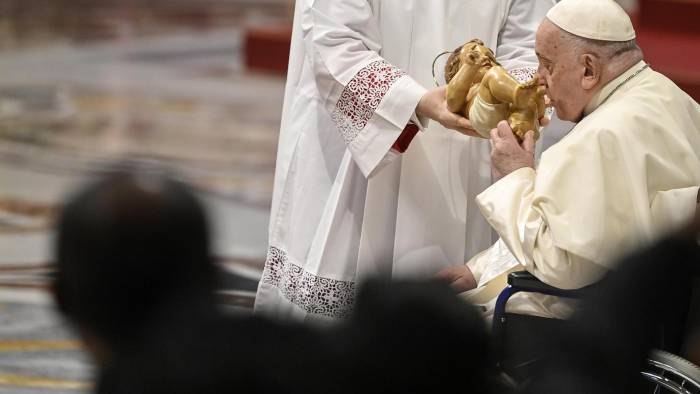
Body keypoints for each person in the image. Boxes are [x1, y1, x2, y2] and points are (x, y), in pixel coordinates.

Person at [255, 0, 559, 322]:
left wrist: (510, 95)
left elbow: (529, 39)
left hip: (475, 145)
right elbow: (334, 41)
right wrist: (416, 101)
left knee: (454, 321)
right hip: (363, 153)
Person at [438, 0, 700, 318]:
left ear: (589, 70)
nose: (538, 78)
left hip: (575, 327)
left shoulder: (602, 137)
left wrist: (514, 175)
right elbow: (583, 230)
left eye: (547, 64)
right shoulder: (667, 95)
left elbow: (562, 264)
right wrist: (479, 269)